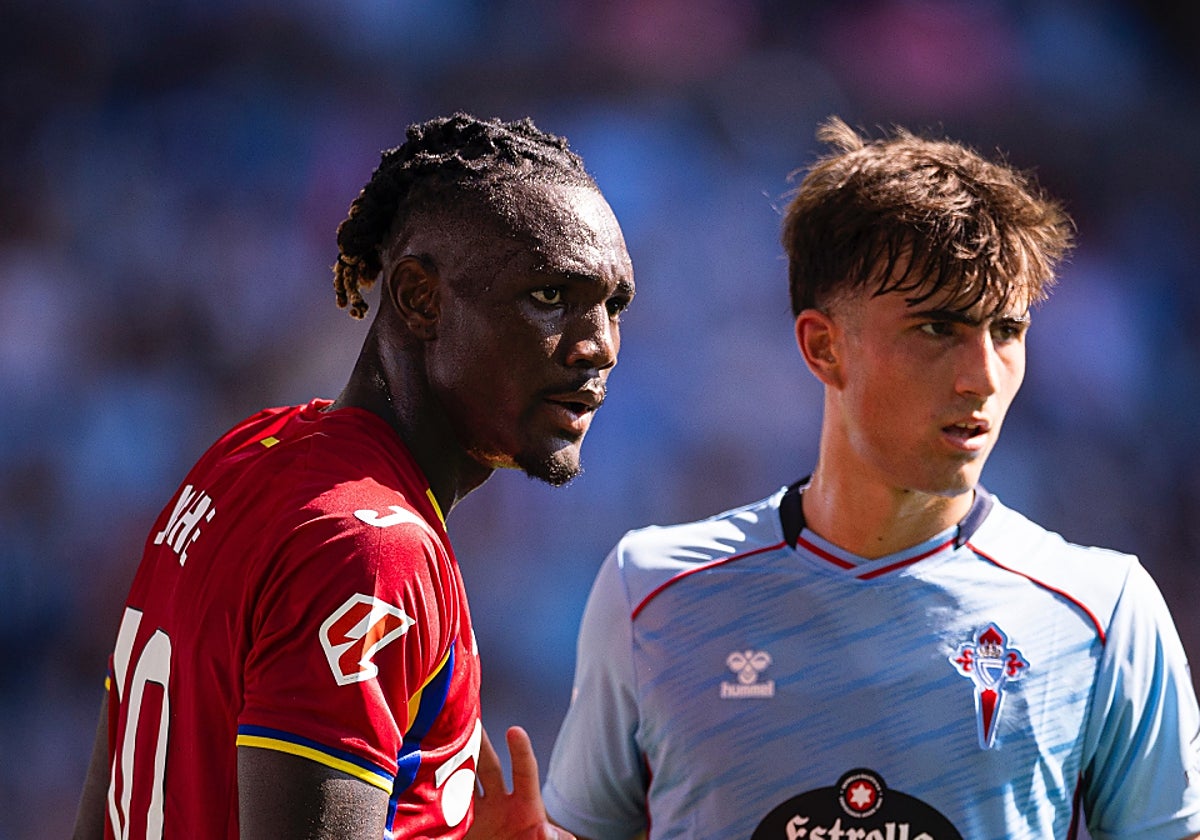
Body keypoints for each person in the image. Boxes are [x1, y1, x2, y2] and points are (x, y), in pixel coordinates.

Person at [542, 117, 1200, 839]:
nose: (982, 376)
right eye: (937, 328)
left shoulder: (1105, 612)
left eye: (1006, 331)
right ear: (824, 347)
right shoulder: (653, 592)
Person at [71, 112, 635, 840]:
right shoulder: (371, 550)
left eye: (614, 305)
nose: (598, 346)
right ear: (420, 297)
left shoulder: (247, 452)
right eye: (551, 296)